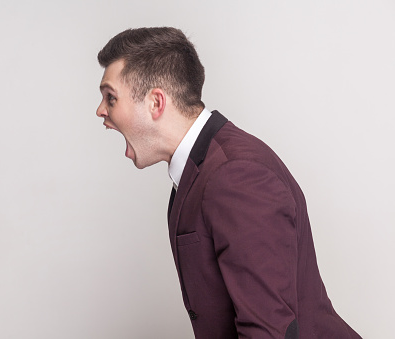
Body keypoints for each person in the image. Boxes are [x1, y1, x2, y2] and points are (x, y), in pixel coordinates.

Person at [96, 27, 361, 339]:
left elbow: (268, 331)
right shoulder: (202, 168)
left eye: (111, 98)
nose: (101, 111)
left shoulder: (237, 176)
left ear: (156, 103)